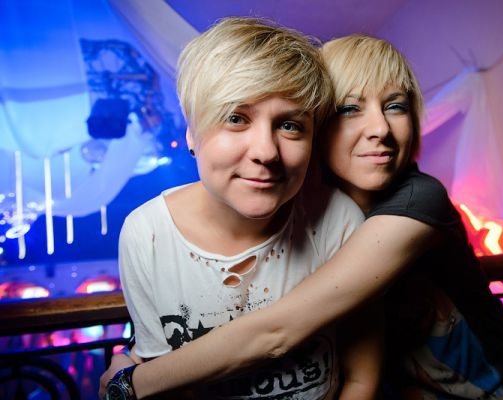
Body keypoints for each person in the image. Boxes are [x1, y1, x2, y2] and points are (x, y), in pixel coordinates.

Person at [101, 34, 503, 399]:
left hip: (490, 389)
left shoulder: (417, 199)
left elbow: (277, 331)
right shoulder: (301, 199)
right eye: (350, 108)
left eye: (395, 106)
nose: (380, 129)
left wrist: (132, 382)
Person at [101, 19, 384, 400]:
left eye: (290, 125)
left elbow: (360, 379)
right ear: (192, 133)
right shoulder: (148, 234)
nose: (266, 152)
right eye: (236, 118)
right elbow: (161, 383)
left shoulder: (337, 219)